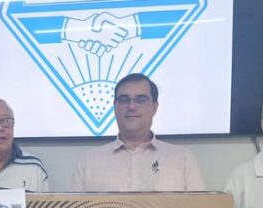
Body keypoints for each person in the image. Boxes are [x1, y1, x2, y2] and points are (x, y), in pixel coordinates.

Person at [70, 73, 204, 192]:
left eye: (140, 100)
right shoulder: (88, 161)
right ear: (115, 107)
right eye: (124, 100)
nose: (131, 106)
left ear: (155, 107)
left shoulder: (183, 159)